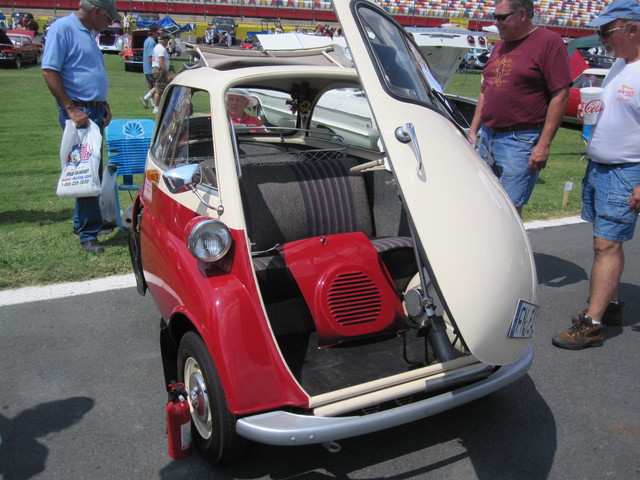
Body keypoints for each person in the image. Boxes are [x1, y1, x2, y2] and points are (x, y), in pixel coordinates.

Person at [552, 0, 640, 350]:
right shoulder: (621, 64)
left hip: (626, 170)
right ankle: (612, 305)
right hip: (602, 167)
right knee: (602, 241)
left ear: (632, 28)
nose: (601, 37)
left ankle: (593, 323)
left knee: (606, 244)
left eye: (607, 31)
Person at [469, 0, 572, 217]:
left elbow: (560, 94)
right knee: (485, 202)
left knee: (509, 210)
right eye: (494, 16)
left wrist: (543, 145)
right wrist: (473, 131)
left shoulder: (548, 42)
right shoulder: (500, 44)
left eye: (501, 17)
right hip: (489, 135)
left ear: (522, 14)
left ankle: (506, 251)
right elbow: (485, 89)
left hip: (520, 139)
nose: (495, 22)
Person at [41, 0, 121, 254]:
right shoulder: (63, 28)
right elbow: (49, 71)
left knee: (87, 169)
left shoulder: (88, 33)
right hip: (80, 111)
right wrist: (71, 109)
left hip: (92, 109)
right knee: (88, 172)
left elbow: (88, 71)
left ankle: (82, 225)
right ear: (97, 11)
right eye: (109, 18)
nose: (110, 24)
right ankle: (88, 235)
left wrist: (103, 102)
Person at [139, 25, 159, 109]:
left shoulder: (147, 41)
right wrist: (154, 66)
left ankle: (153, 104)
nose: (158, 35)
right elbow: (150, 56)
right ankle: (145, 98)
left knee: (150, 87)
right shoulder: (151, 42)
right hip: (150, 68)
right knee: (157, 86)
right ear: (154, 32)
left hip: (146, 67)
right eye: (157, 33)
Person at [152, 34, 172, 114]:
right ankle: (156, 107)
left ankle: (158, 106)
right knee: (160, 89)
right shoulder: (161, 49)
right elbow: (161, 62)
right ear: (164, 40)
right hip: (160, 70)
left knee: (159, 87)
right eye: (167, 40)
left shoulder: (157, 47)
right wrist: (168, 74)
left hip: (156, 69)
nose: (168, 42)